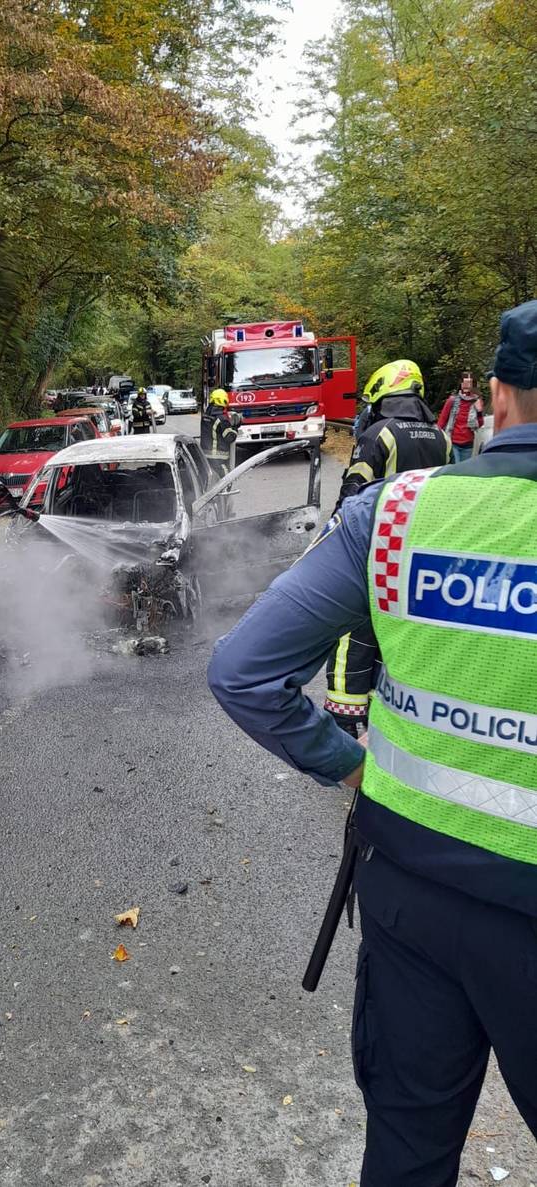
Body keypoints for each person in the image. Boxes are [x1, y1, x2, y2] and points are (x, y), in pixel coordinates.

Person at [207, 298, 537, 1186]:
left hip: (409, 897)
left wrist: (350, 762)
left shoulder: (394, 512)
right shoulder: (421, 442)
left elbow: (242, 671)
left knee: (405, 1155)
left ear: (498, 396)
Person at [324, 360, 451, 735]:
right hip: (425, 552)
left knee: (353, 630)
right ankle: (398, 714)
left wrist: (334, 541)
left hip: (380, 549)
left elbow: (353, 494)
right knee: (405, 631)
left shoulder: (380, 434)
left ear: (383, 393)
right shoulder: (440, 435)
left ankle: (344, 720)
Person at [438, 372, 485, 462]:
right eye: (465, 383)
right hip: (453, 442)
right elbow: (442, 421)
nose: (466, 386)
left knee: (463, 471)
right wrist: (438, 438)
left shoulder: (476, 401)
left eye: (469, 383)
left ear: (473, 385)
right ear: (461, 384)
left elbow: (479, 425)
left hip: (468, 444)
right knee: (455, 468)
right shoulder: (452, 400)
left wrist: (479, 412)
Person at [202, 387, 237, 469]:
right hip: (219, 458)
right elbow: (230, 437)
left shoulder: (205, 416)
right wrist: (235, 427)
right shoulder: (222, 419)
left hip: (206, 456)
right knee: (226, 480)